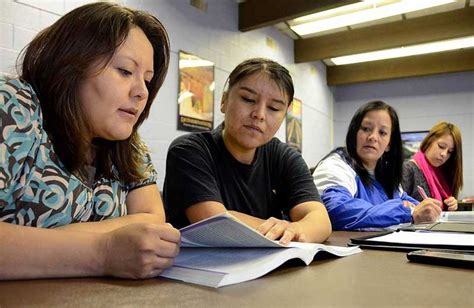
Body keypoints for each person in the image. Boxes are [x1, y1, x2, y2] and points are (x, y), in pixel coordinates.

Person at [0, 2, 180, 280]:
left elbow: (152, 220)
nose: (142, 92)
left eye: (147, 80)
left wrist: (37, 242)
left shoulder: (128, 144)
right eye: (124, 71)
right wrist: (102, 252)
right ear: (72, 63)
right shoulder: (14, 105)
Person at [163, 58, 331, 245]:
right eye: (248, 99)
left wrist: (295, 229)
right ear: (224, 101)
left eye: (274, 108)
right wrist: (286, 229)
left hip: (268, 268)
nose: (259, 114)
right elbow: (214, 224)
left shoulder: (285, 157)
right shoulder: (190, 150)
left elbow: (320, 221)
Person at [313, 101, 442, 230]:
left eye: (382, 132)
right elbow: (336, 211)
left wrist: (425, 209)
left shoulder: (384, 173)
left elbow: (407, 200)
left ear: (389, 144)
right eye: (366, 129)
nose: (373, 137)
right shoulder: (335, 166)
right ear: (354, 133)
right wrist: (407, 213)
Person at [402, 122, 463, 211]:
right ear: (429, 141)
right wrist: (416, 209)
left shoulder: (441, 175)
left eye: (450, 152)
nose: (444, 154)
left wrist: (452, 204)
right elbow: (395, 207)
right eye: (441, 146)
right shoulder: (408, 169)